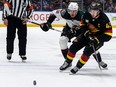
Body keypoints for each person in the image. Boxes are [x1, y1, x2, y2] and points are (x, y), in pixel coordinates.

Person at [40, 2, 107, 68]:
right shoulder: (64, 13)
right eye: (70, 11)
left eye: (74, 11)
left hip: (81, 31)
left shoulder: (83, 15)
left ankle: (100, 61)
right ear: (67, 10)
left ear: (77, 10)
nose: (72, 13)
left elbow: (89, 26)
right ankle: (67, 61)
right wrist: (48, 23)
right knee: (62, 40)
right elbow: (53, 13)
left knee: (91, 44)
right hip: (69, 29)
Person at [59, 1, 112, 74]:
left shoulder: (104, 19)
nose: (92, 13)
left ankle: (78, 66)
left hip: (98, 38)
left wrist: (96, 40)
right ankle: (67, 62)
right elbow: (82, 25)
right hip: (87, 35)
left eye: (95, 11)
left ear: (99, 11)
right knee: (73, 47)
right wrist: (87, 33)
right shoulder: (87, 14)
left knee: (87, 51)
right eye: (91, 11)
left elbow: (108, 35)